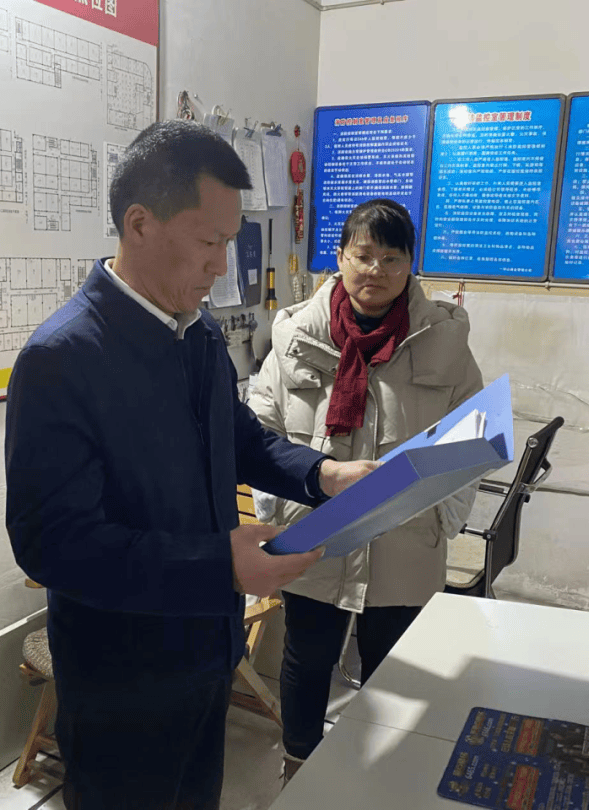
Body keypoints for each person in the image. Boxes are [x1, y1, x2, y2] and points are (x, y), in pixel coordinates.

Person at [4, 120, 375, 810]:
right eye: (208, 243)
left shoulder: (198, 333)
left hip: (209, 653)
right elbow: (50, 544)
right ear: (140, 224)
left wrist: (322, 475)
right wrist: (218, 565)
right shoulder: (63, 360)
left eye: (229, 243)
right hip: (122, 683)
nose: (221, 266)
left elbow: (240, 439)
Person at [248, 198, 484, 784]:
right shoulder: (296, 337)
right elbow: (262, 427)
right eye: (363, 255)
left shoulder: (444, 341)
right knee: (306, 659)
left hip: (406, 534)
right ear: (340, 258)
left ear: (410, 265)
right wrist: (279, 514)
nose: (375, 270)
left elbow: (473, 434)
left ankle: (381, 779)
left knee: (393, 666)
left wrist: (442, 521)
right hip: (316, 532)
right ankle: (298, 767)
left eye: (391, 258)